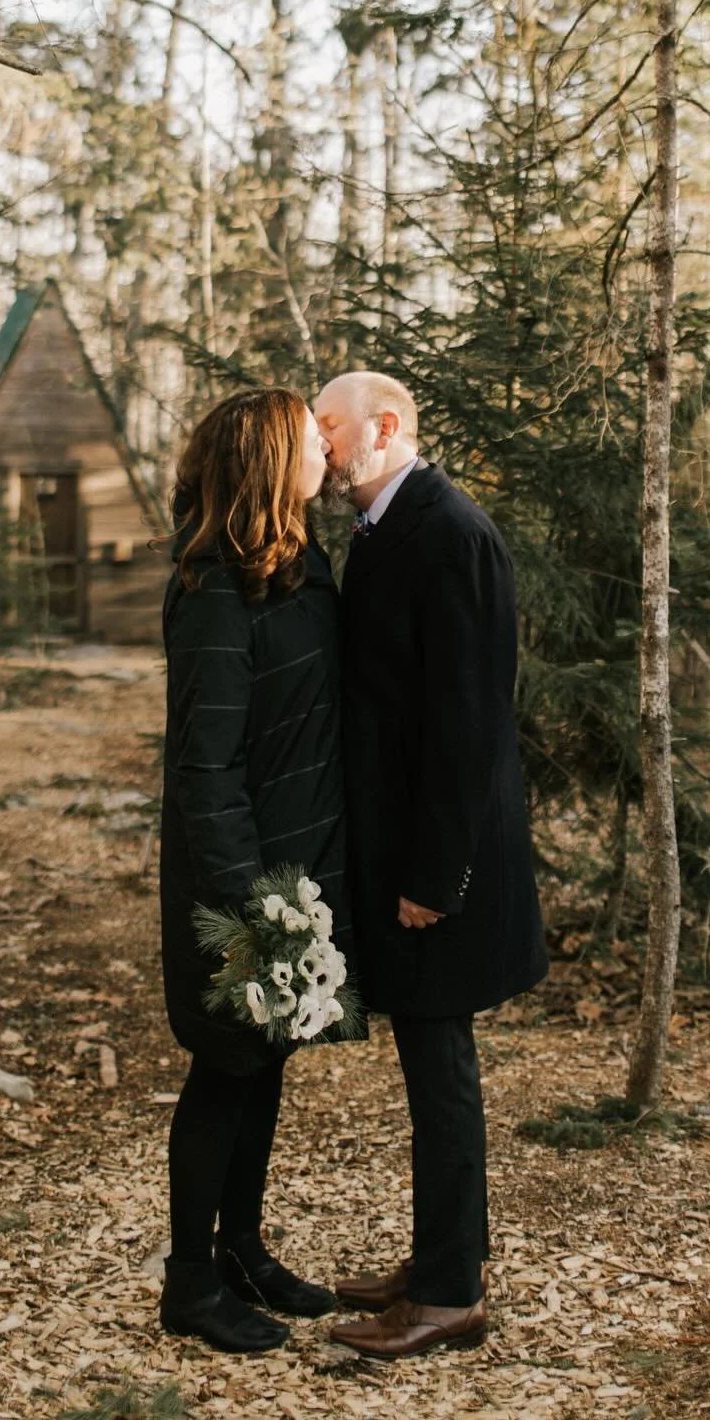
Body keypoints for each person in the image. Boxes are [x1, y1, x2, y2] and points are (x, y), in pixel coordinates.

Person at [314, 370, 548, 1360]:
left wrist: (434, 879)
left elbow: (467, 726)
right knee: (430, 1063)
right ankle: (448, 1254)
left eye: (330, 427)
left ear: (387, 425)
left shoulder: (451, 534)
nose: (320, 446)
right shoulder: (381, 528)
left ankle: (450, 1294)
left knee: (440, 1069)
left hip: (439, 870)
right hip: (409, 856)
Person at [157, 386, 353, 1354]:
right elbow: (206, 769)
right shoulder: (213, 592)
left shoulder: (296, 565)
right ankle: (189, 1281)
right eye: (310, 441)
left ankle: (245, 1252)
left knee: (265, 1063)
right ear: (273, 462)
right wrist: (256, 905)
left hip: (297, 866)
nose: (327, 448)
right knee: (224, 1071)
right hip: (239, 884)